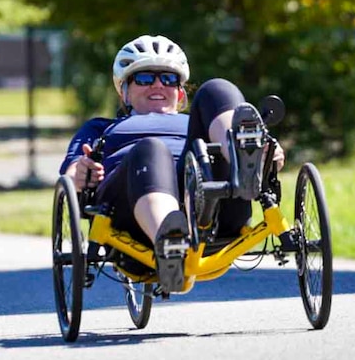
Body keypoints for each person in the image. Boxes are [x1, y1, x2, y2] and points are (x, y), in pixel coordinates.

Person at [61, 34, 284, 293]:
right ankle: (169, 241)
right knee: (152, 148)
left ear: (179, 92)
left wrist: (270, 157)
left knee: (216, 88)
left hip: (215, 209)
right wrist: (79, 172)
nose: (158, 85)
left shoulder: (197, 124)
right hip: (132, 214)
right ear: (124, 91)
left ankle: (244, 155)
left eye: (168, 79)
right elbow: (71, 169)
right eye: (144, 78)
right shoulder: (101, 127)